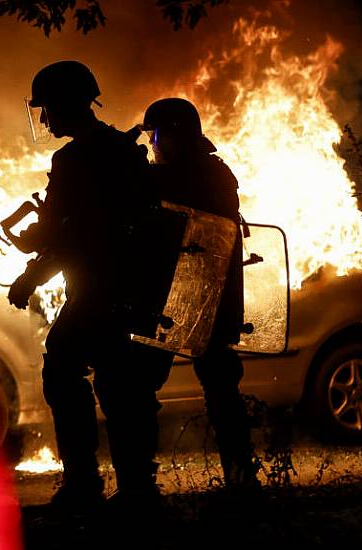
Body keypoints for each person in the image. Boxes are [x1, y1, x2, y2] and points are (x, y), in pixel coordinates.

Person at [7, 60, 166, 512]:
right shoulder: (123, 150)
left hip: (99, 291)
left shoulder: (74, 159)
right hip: (131, 291)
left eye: (48, 108)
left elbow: (68, 237)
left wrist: (29, 274)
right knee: (122, 389)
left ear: (67, 104)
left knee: (63, 372)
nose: (44, 118)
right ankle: (137, 490)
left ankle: (84, 483)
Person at [141, 97, 260, 490]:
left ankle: (142, 486)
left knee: (141, 388)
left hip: (192, 298)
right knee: (220, 390)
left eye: (156, 135)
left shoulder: (192, 177)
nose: (154, 144)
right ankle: (241, 480)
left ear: (175, 135)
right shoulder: (215, 172)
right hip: (199, 298)